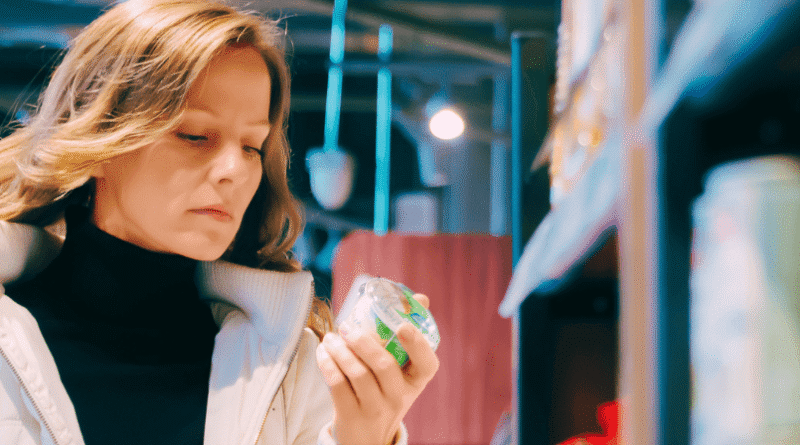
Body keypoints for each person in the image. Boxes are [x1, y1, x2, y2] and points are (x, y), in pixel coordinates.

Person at [0, 1, 439, 444]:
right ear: (97, 137)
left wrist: (366, 437)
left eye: (252, 145)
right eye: (194, 135)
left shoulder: (289, 367)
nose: (235, 168)